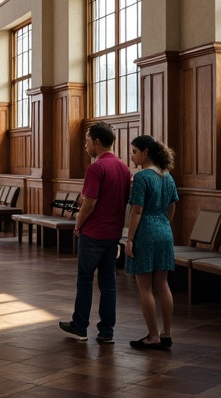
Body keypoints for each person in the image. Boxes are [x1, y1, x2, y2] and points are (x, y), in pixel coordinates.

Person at [58, 121, 133, 343]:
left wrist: (78, 225)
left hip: (93, 234)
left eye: (87, 141)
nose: (85, 146)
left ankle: (80, 326)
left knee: (84, 280)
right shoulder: (124, 168)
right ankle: (107, 331)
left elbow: (89, 203)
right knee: (109, 283)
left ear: (97, 142)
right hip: (113, 234)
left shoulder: (96, 168)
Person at [125, 135, 179, 351]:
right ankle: (167, 333)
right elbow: (173, 206)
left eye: (134, 152)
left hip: (146, 232)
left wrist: (129, 239)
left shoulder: (141, 177)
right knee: (163, 285)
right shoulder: (167, 176)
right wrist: (164, 223)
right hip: (165, 230)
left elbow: (136, 210)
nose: (132, 156)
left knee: (145, 287)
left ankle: (153, 336)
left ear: (145, 152)